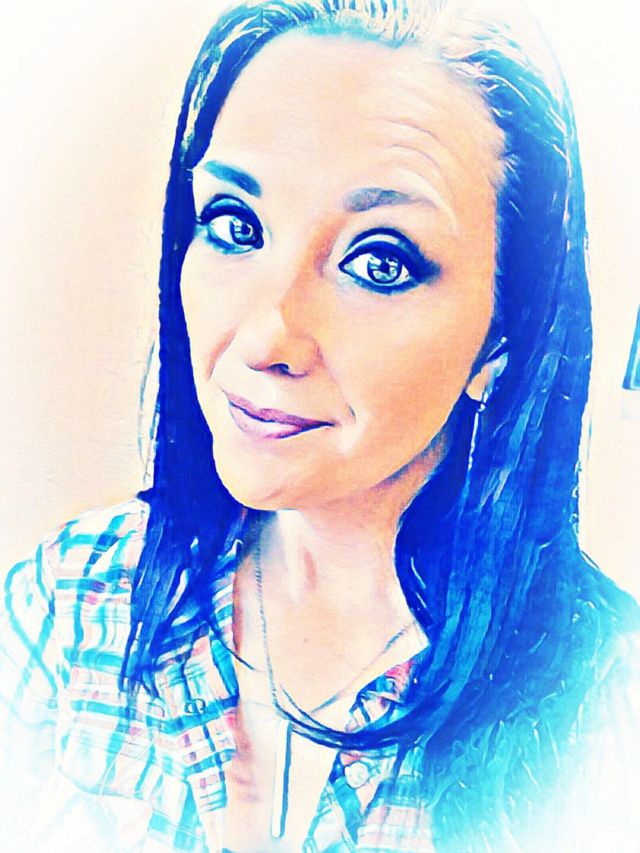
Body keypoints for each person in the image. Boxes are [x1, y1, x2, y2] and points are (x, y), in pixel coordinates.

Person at [2, 0, 639, 850]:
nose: (265, 337)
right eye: (235, 226)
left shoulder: (608, 719)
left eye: (379, 261)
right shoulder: (69, 602)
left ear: (501, 342)